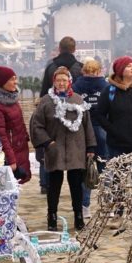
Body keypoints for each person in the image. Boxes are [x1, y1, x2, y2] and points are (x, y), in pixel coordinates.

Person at [30, 67, 96, 231]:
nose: (61, 83)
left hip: (76, 148)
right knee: (53, 186)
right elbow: (36, 125)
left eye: (64, 80)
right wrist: (47, 143)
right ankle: (51, 217)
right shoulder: (46, 101)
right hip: (55, 148)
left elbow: (87, 125)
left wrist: (90, 146)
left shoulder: (78, 100)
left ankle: (78, 217)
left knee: (76, 185)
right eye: (58, 80)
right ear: (54, 82)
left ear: (69, 82)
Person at [39, 37, 83, 194]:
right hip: (73, 111)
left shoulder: (51, 66)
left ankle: (45, 184)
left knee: (49, 148)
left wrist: (42, 105)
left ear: (59, 48)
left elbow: (44, 89)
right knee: (74, 148)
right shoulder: (79, 67)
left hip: (52, 109)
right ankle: (77, 183)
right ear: (74, 49)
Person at [73, 58, 109, 217]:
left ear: (84, 71)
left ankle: (84, 206)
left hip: (82, 131)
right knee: (106, 169)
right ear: (99, 71)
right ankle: (108, 205)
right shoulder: (106, 86)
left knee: (85, 169)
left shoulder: (76, 87)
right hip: (102, 130)